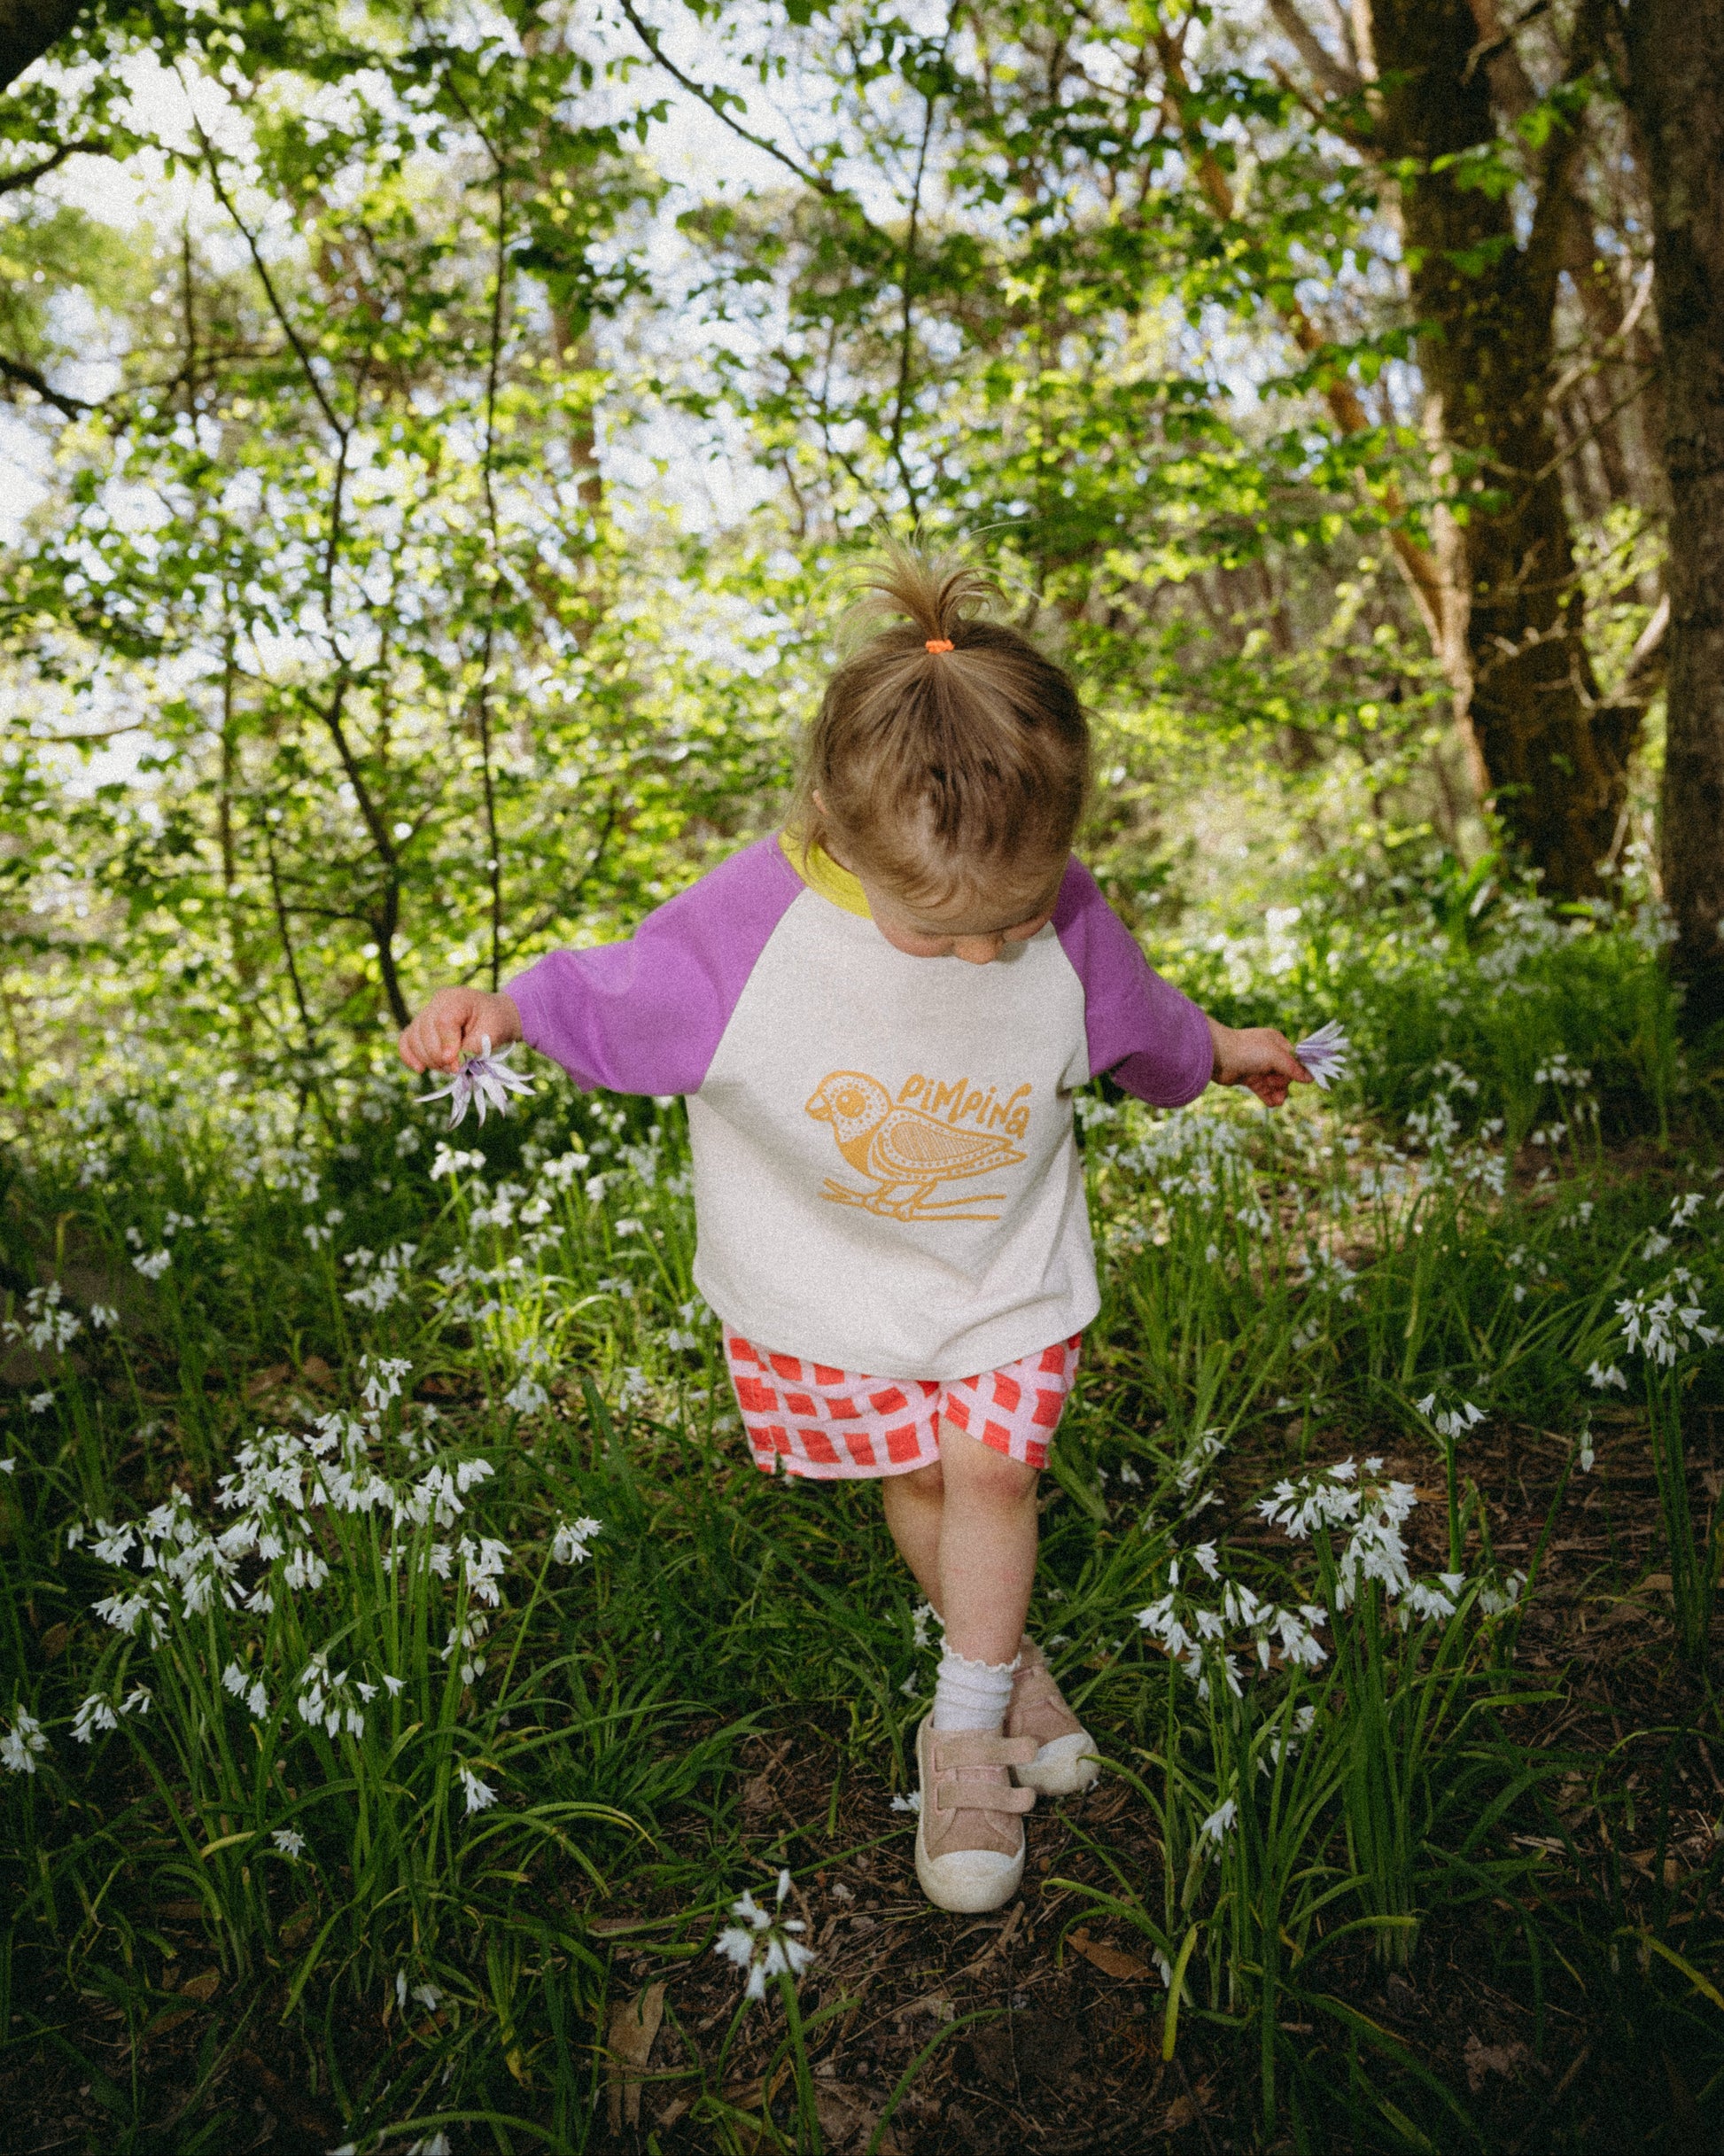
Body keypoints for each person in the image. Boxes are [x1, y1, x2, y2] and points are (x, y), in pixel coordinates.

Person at [397, 547, 1310, 1913]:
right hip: (831, 1282)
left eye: (1007, 925)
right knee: (926, 1486)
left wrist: (1226, 1049)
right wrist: (501, 1007)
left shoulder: (1055, 905)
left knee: (993, 1475)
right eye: (938, 932)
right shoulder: (753, 923)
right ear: (835, 822)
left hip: (1001, 1265)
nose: (981, 957)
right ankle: (1001, 1662)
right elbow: (614, 992)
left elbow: (1140, 1026)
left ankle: (957, 1731)